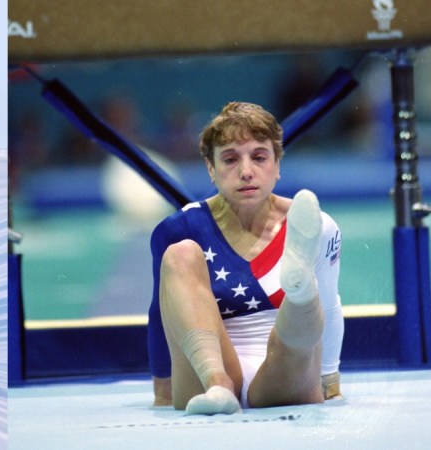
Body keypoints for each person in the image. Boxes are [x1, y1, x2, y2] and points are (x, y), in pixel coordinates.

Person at [147, 102, 344, 414]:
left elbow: (331, 307)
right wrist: (163, 391)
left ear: (277, 165)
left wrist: (329, 382)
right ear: (211, 169)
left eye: (260, 157)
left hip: (284, 365)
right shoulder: (179, 228)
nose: (246, 171)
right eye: (229, 159)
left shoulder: (315, 224)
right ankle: (220, 386)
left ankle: (300, 289)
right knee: (180, 255)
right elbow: (161, 314)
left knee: (299, 320)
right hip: (206, 372)